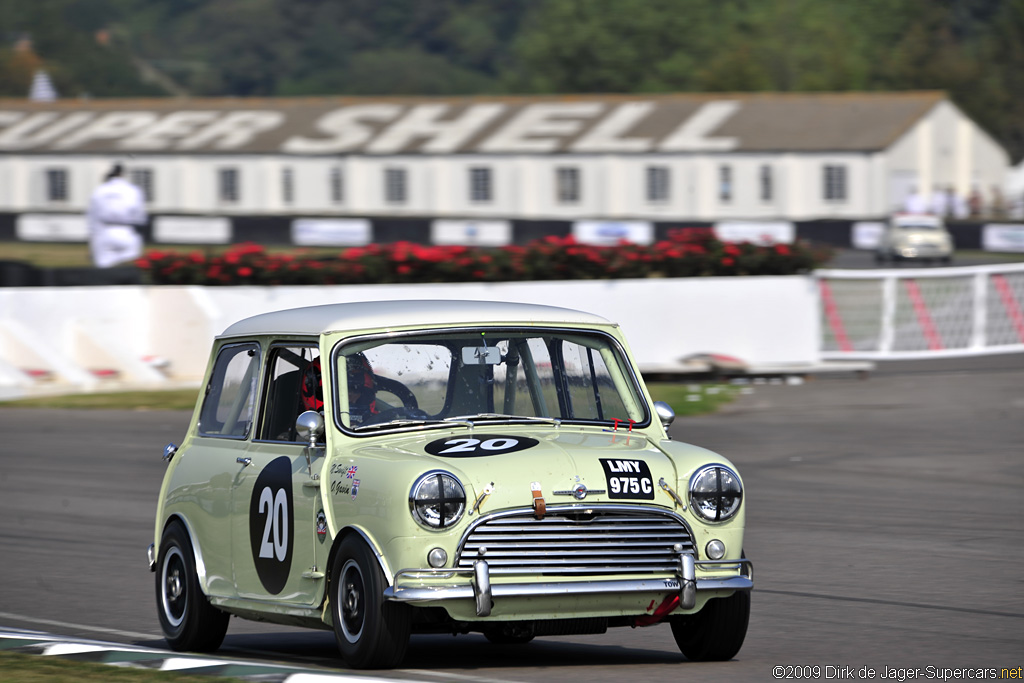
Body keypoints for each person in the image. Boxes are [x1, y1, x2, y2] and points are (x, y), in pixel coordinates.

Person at [86, 163, 146, 268]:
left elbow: (92, 217)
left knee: (103, 269)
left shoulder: (100, 190)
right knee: (129, 268)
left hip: (105, 231)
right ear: (122, 174)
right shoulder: (132, 190)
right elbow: (140, 217)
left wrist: (92, 241)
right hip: (127, 231)